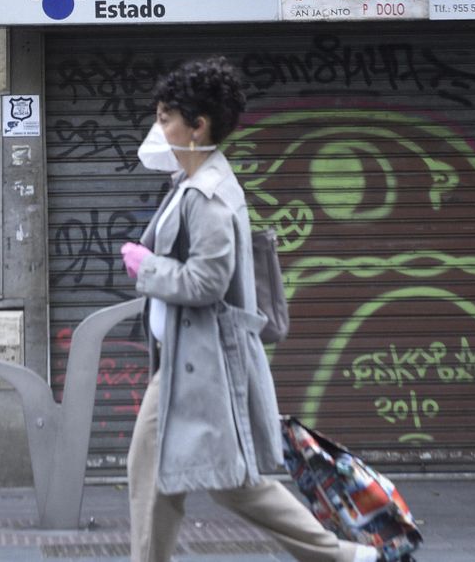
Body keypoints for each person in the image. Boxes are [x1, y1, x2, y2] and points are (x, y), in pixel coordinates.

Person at [120, 57, 391, 562]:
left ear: (197, 126)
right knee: (167, 473)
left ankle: (343, 556)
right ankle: (343, 557)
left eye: (164, 117)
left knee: (207, 476)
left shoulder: (209, 196)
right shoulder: (189, 185)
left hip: (201, 364)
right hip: (186, 358)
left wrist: (147, 268)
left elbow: (207, 281)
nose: (157, 127)